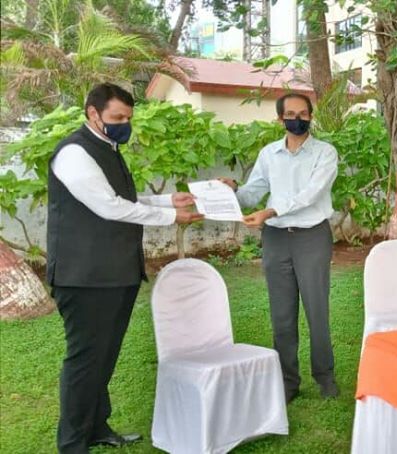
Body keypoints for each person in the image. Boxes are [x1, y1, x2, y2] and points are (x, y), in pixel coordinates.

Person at [47, 83, 203, 453]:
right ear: (93, 114)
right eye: (117, 118)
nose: (124, 125)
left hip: (116, 273)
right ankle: (71, 443)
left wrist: (169, 199)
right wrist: (170, 216)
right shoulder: (74, 153)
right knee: (86, 359)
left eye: (128, 119)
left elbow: (124, 199)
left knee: (106, 354)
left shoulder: (107, 148)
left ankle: (97, 426)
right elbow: (109, 207)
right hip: (84, 277)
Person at [219, 93, 339, 403]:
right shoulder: (269, 154)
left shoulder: (325, 153)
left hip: (312, 236)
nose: (296, 118)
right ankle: (288, 382)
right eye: (290, 113)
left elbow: (311, 195)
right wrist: (231, 190)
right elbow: (251, 195)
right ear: (280, 119)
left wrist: (270, 211)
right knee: (282, 313)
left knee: (317, 310)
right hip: (275, 240)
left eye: (302, 113)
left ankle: (324, 376)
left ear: (311, 117)